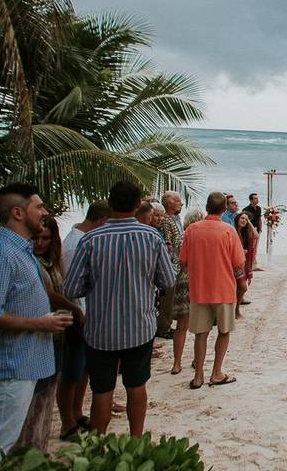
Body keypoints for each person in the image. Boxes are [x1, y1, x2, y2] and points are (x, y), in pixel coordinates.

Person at [0, 184, 72, 457]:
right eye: (39, 207)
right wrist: (40, 324)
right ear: (18, 213)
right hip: (10, 366)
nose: (44, 212)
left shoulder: (19, 250)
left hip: (22, 363)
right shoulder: (0, 254)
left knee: (6, 444)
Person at [65, 181, 175, 436]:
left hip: (101, 328)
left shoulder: (91, 239)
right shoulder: (151, 237)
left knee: (102, 390)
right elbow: (167, 280)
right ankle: (136, 439)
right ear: (138, 205)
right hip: (139, 326)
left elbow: (72, 288)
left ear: (110, 203)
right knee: (137, 386)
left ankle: (99, 442)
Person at [19, 217, 83, 449]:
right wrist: (74, 308)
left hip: (57, 330)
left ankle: (41, 440)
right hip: (41, 329)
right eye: (36, 238)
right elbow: (48, 294)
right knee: (40, 389)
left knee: (54, 383)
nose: (39, 243)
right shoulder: (31, 262)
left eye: (45, 238)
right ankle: (32, 444)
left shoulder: (50, 261)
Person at [180, 191, 247, 389]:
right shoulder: (228, 230)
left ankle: (198, 375)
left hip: (199, 288)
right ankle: (216, 372)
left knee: (201, 333)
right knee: (224, 331)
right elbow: (238, 262)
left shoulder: (191, 230)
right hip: (223, 288)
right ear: (224, 209)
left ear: (207, 207)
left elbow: (183, 261)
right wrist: (241, 282)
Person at [58, 200, 110, 440]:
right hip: (79, 315)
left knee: (85, 368)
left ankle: (77, 411)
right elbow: (70, 288)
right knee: (72, 372)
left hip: (91, 314)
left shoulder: (85, 240)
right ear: (101, 221)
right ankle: (67, 419)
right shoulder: (74, 244)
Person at [172, 209, 203, 376]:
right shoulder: (197, 236)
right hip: (197, 278)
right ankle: (196, 360)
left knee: (181, 324)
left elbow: (178, 259)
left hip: (182, 278)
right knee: (200, 324)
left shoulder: (182, 236)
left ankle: (177, 363)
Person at [154, 200, 182, 340]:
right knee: (166, 299)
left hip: (173, 265)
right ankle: (163, 327)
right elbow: (169, 243)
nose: (159, 218)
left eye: (160, 215)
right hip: (169, 265)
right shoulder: (166, 222)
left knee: (168, 299)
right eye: (156, 216)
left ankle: (165, 325)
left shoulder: (172, 219)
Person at [234, 212, 259, 316]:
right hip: (235, 263)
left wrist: (248, 222)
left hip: (243, 262)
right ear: (237, 219)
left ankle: (236, 309)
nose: (244, 220)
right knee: (241, 287)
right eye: (242, 218)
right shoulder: (233, 231)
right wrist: (240, 251)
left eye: (246, 219)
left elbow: (256, 235)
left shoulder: (245, 232)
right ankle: (235, 310)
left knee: (241, 287)